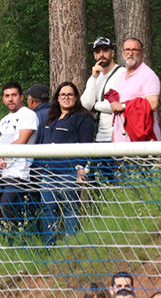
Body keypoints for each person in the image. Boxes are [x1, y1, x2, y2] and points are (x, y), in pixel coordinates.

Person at [38, 81, 96, 244]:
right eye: (62, 95)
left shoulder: (83, 118)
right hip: (48, 172)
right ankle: (49, 247)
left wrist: (81, 169)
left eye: (70, 94)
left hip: (68, 172)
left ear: (76, 97)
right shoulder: (52, 118)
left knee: (70, 209)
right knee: (48, 209)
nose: (66, 98)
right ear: (57, 98)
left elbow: (86, 146)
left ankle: (71, 245)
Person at [0, 82, 38, 232]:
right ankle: (9, 245)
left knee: (8, 209)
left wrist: (2, 156)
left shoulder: (28, 115)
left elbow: (22, 141)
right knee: (0, 214)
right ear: (3, 99)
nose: (10, 99)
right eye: (7, 96)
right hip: (1, 173)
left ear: (21, 97)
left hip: (19, 173)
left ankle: (20, 242)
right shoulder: (3, 120)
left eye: (13, 95)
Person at [80, 36, 123, 183]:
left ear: (112, 52)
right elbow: (85, 105)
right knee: (97, 183)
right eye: (98, 51)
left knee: (115, 181)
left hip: (116, 136)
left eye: (105, 50)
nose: (101, 55)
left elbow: (118, 105)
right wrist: (93, 78)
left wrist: (96, 105)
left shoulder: (121, 74)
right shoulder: (95, 77)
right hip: (99, 137)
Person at [110, 38, 161, 143]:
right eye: (127, 50)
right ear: (122, 52)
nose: (130, 53)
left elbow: (153, 104)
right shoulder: (122, 75)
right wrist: (114, 138)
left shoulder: (148, 75)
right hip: (122, 141)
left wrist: (123, 106)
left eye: (134, 50)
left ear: (142, 53)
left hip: (142, 141)